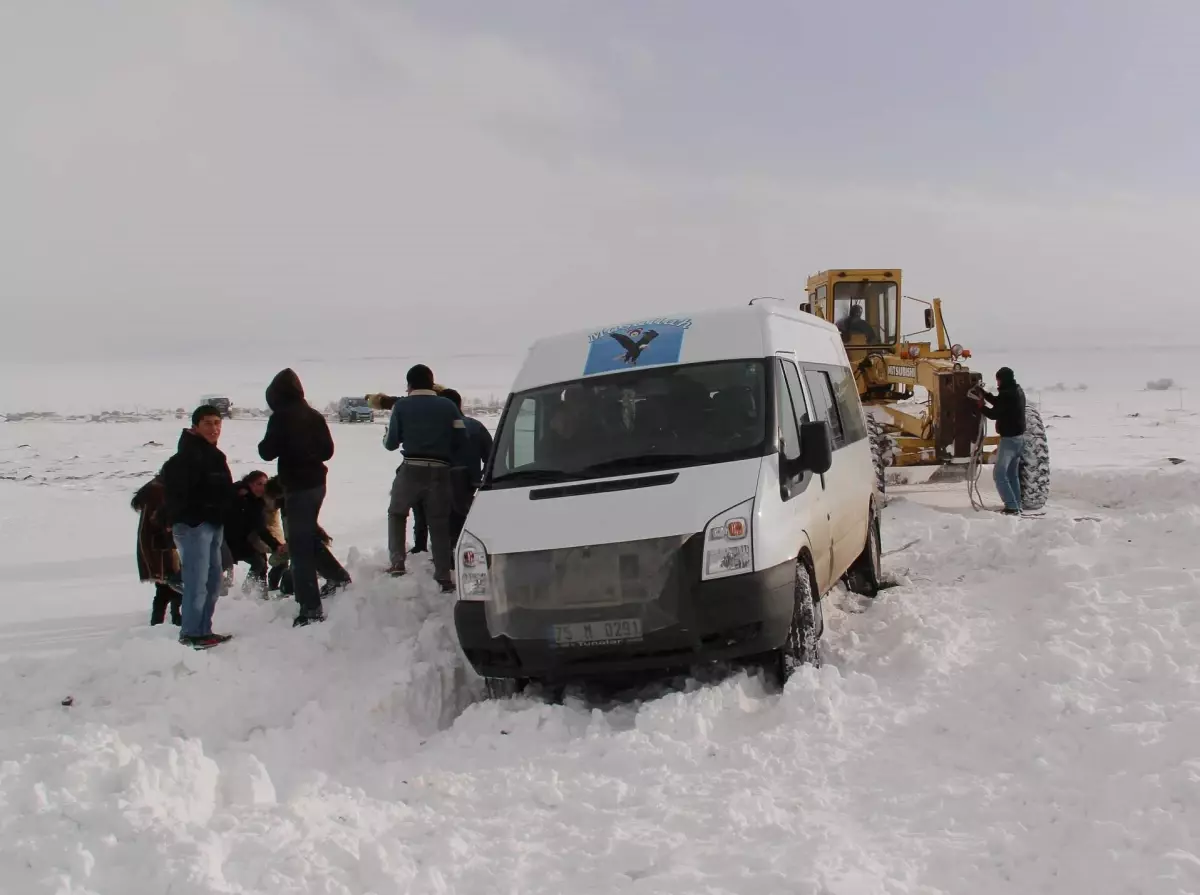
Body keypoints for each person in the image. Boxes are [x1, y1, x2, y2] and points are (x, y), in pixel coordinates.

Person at [258, 368, 337, 626]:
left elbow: (267, 452)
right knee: (306, 536)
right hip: (317, 485)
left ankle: (310, 609)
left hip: (297, 488)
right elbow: (327, 451)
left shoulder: (281, 418)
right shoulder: (314, 415)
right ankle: (337, 577)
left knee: (299, 547)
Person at [383, 364, 466, 590]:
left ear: (409, 385)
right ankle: (443, 575)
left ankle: (398, 562)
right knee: (438, 522)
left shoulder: (401, 406)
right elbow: (461, 438)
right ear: (432, 383)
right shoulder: (448, 406)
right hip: (440, 470)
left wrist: (387, 437)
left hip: (411, 468)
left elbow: (391, 443)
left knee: (397, 512)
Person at [161, 405, 235, 648]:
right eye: (208, 423)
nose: (214, 429)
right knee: (197, 582)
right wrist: (192, 516)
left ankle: (203, 630)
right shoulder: (186, 457)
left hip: (214, 524)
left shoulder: (213, 455)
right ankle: (191, 632)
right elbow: (177, 494)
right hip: (195, 526)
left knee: (213, 581)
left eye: (217, 423)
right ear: (195, 426)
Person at [440, 388, 494, 547]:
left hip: (440, 481)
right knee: (463, 518)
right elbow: (491, 456)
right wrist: (484, 478)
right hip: (469, 484)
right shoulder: (476, 426)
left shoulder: (438, 429)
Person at [131, 475, 182, 626]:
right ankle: (171, 620)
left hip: (155, 544)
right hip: (159, 546)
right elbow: (159, 520)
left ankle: (165, 621)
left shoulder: (156, 489)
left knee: (167, 585)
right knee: (171, 584)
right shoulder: (158, 492)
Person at [978, 366, 1028, 515]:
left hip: (1009, 441)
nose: (998, 384)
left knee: (999, 474)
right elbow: (1000, 403)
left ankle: (1011, 506)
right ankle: (1017, 504)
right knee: (1012, 474)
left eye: (998, 381)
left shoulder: (1007, 395)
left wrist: (981, 407)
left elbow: (994, 413)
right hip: (1020, 440)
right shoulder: (1017, 391)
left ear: (1002, 380)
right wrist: (985, 394)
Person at [225, 471, 281, 593]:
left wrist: (275, 545)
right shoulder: (237, 493)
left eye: (264, 484)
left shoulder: (258, 503)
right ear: (250, 484)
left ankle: (248, 592)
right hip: (224, 539)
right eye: (258, 484)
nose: (262, 487)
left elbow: (260, 528)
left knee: (259, 563)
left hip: (242, 540)